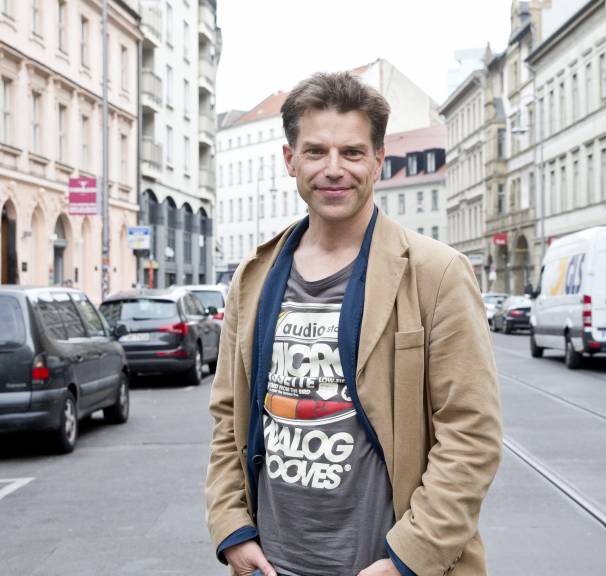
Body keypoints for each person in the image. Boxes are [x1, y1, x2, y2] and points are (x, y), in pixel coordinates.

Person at [205, 72, 502, 576]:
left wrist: (409, 557)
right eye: (316, 151)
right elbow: (227, 415)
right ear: (290, 159)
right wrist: (231, 525)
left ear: (378, 160)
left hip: (385, 567)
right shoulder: (254, 276)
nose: (333, 169)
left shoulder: (436, 273)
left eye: (352, 152)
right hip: (273, 565)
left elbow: (471, 433)